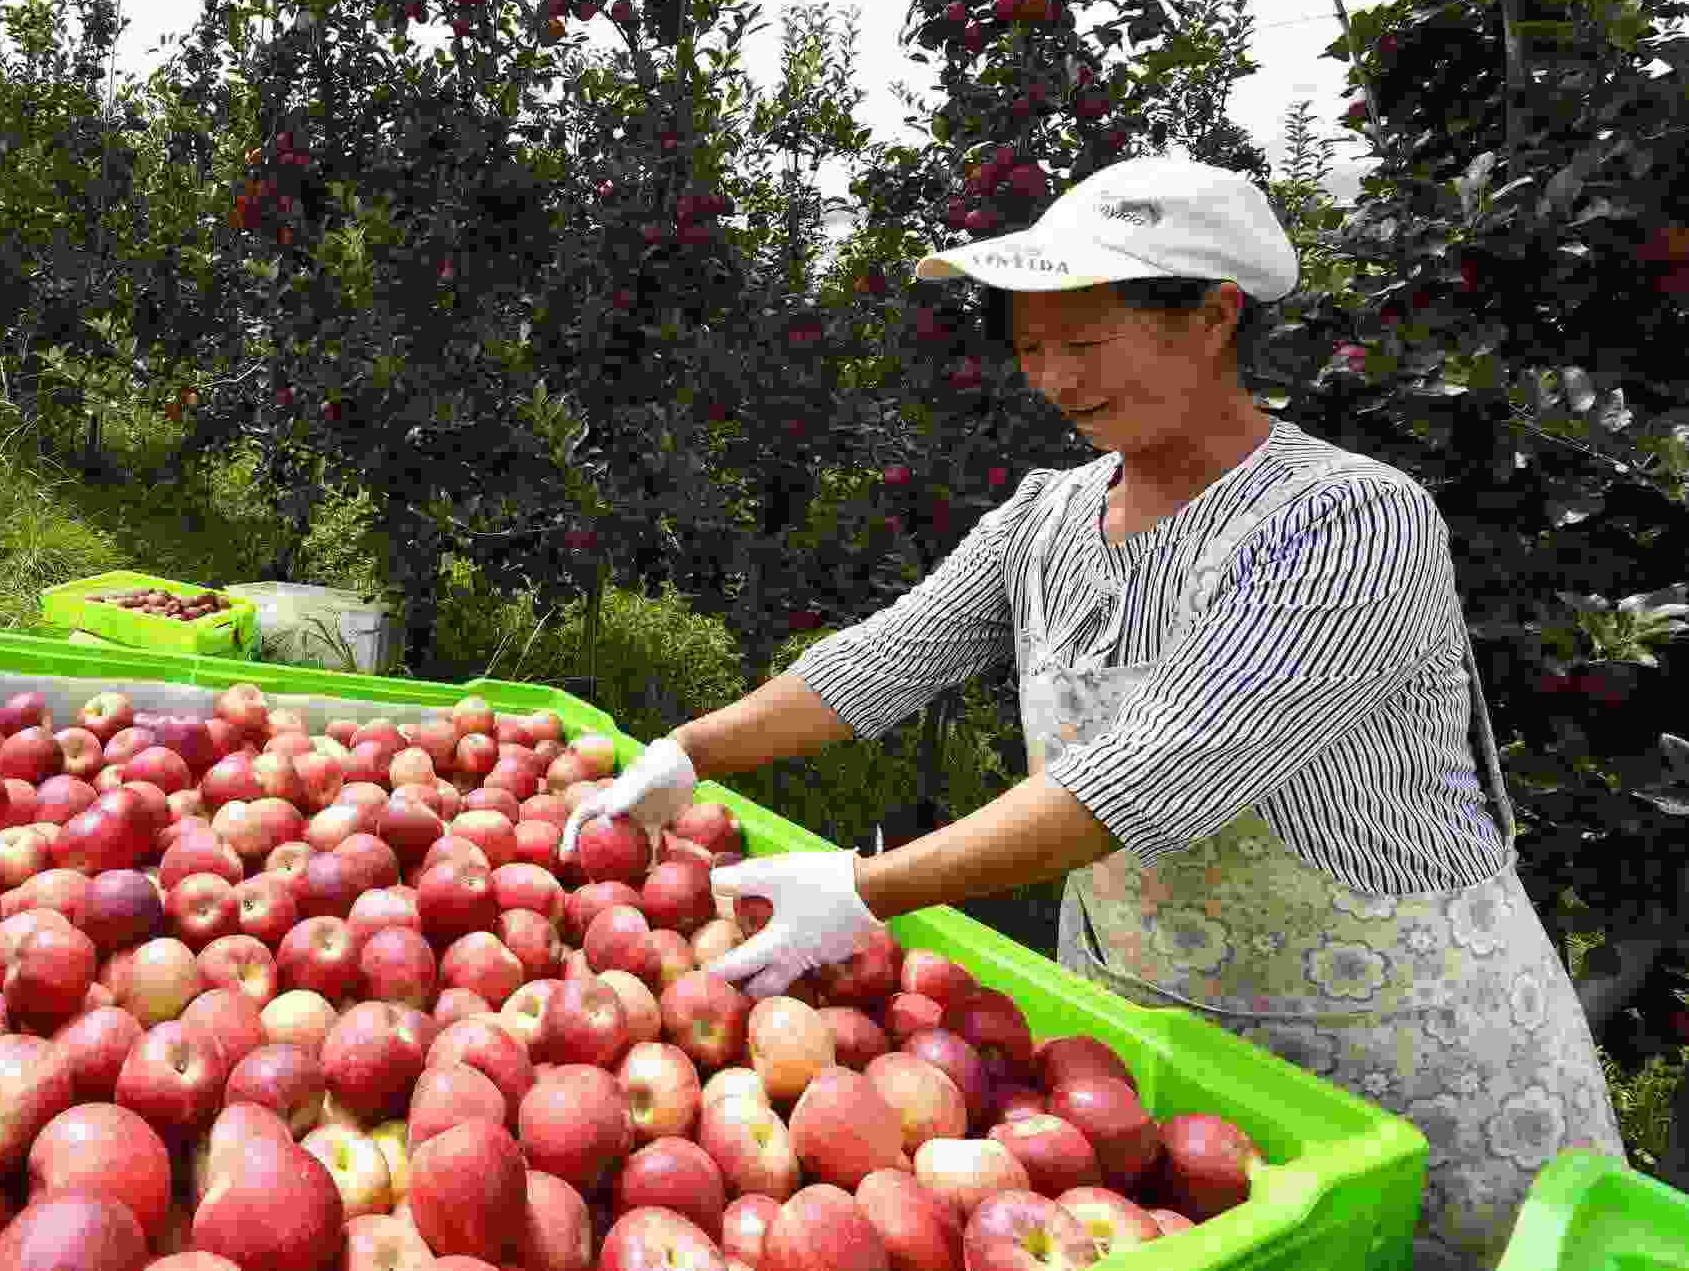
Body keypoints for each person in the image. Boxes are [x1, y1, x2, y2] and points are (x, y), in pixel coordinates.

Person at [558, 155, 1627, 1271]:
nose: (1056, 378)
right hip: (1149, 1051)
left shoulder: (1348, 524)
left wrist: (867, 888)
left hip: (1388, 1056)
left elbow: (1155, 770)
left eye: (1087, 341)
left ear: (1214, 316)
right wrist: (689, 751)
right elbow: (884, 657)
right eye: (1032, 347)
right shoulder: (1052, 517)